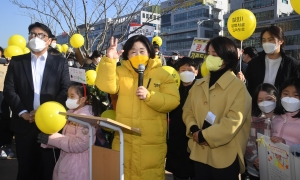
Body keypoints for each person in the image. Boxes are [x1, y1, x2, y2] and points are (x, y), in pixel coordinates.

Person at [95, 35, 180, 179]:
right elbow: (106, 86)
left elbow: (173, 101)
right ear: (127, 54)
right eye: (133, 52)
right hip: (125, 138)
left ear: (149, 52)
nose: (138, 54)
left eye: (142, 51)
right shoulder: (120, 72)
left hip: (151, 141)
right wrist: (109, 61)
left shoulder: (163, 74)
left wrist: (150, 96)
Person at [3, 22, 70, 180]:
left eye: (41, 35)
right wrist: (22, 112)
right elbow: (9, 90)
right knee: (25, 169)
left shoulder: (60, 63)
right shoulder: (17, 62)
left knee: (49, 169)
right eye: (33, 34)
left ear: (49, 40)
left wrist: (45, 113)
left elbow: (65, 89)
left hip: (50, 125)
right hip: (24, 124)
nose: (36, 37)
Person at [182, 36, 251, 180]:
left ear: (227, 57)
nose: (210, 58)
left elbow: (233, 121)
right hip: (199, 153)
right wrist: (194, 128)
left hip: (225, 155)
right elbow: (187, 110)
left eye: (215, 55)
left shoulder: (238, 87)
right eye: (209, 54)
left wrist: (204, 136)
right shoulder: (199, 84)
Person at [37, 82, 101, 180]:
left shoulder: (86, 119)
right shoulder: (70, 114)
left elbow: (79, 144)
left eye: (72, 96)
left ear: (82, 99)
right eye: (68, 96)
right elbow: (65, 140)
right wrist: (47, 140)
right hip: (67, 161)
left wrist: (51, 139)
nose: (68, 99)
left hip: (78, 166)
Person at [165, 57, 199, 180]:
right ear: (177, 72)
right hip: (176, 136)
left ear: (196, 72)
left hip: (195, 135)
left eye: (189, 70)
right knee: (179, 173)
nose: (186, 72)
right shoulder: (172, 88)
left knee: (196, 171)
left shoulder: (201, 88)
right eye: (182, 70)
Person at [245, 25, 300, 96]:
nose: (266, 43)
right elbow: (249, 86)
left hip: (282, 105)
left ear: (281, 41)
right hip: (258, 104)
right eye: (264, 40)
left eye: (270, 39)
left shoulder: (291, 63)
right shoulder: (254, 63)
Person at [243, 83, 279, 180]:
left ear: (276, 98)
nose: (265, 102)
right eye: (260, 100)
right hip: (254, 171)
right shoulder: (252, 120)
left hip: (277, 171)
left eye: (269, 99)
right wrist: (255, 159)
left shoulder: (282, 121)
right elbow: (246, 142)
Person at [271, 77, 300, 146]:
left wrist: (285, 143)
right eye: (286, 94)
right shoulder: (275, 118)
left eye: (296, 95)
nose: (290, 98)